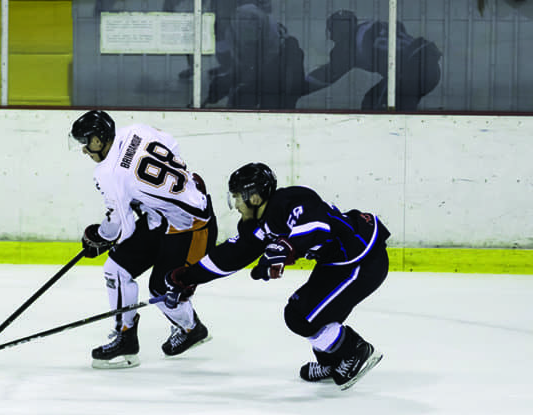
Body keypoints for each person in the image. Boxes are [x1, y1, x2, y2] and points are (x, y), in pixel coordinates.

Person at [165, 163, 389, 391]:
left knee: (301, 317)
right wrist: (188, 276)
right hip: (336, 263)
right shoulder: (257, 226)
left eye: (237, 197)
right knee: (303, 310)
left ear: (253, 196)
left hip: (362, 259)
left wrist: (287, 247)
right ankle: (333, 362)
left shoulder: (290, 199)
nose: (236, 206)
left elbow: (316, 226)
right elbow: (230, 256)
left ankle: (354, 351)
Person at [71, 110, 217, 369]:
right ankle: (126, 338)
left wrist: (99, 237)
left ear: (100, 139)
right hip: (165, 216)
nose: (84, 150)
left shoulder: (108, 173)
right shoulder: (135, 131)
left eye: (87, 142)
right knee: (116, 269)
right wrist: (149, 196)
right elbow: (172, 144)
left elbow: (121, 229)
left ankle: (191, 329)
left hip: (192, 226)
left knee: (162, 290)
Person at [303, 9, 442, 111]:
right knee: (395, 106)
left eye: (332, 30)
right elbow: (399, 28)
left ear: (338, 30)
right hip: (431, 66)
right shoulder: (372, 26)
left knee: (374, 106)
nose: (332, 37)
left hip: (410, 70)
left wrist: (299, 88)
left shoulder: (348, 44)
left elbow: (329, 74)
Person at [203, 0, 305, 109]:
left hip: (279, 62)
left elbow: (267, 63)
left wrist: (238, 80)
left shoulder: (248, 17)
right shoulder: (229, 32)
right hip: (265, 62)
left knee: (270, 101)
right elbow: (242, 62)